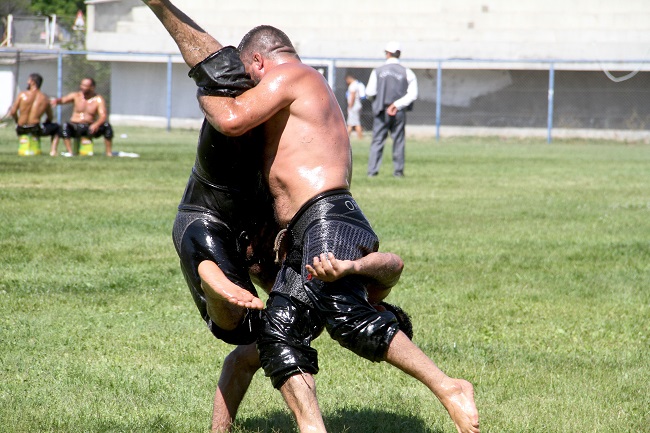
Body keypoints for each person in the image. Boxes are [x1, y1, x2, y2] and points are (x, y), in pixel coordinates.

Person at [144, 3, 479, 433]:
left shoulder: (293, 75)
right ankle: (312, 428)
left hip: (327, 216)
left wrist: (207, 91)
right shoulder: (309, 89)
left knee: (345, 313)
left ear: (260, 61)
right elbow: (391, 266)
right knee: (278, 336)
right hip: (306, 228)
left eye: (249, 78)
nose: (248, 87)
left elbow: (231, 119)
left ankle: (449, 386)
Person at [366, 41, 418, 178]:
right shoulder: (407, 72)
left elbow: (370, 92)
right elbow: (413, 94)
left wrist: (377, 102)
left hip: (381, 111)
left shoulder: (377, 71)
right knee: (399, 141)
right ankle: (398, 172)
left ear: (387, 53)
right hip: (399, 112)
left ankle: (372, 172)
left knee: (377, 141)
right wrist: (397, 105)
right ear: (399, 54)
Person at [3, 73, 66, 156]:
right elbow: (50, 116)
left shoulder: (22, 95)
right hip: (35, 129)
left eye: (28, 80)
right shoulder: (44, 98)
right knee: (57, 127)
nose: (27, 82)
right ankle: (53, 151)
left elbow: (13, 112)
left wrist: (17, 121)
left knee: (24, 127)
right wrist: (47, 122)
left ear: (33, 82)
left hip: (21, 129)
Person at [52, 77, 114, 156]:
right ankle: (70, 152)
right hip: (75, 127)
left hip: (90, 127)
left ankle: (109, 153)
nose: (82, 87)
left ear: (92, 87)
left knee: (107, 126)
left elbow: (103, 116)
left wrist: (96, 124)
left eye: (85, 85)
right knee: (65, 126)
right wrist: (56, 101)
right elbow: (64, 100)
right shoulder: (76, 96)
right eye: (81, 85)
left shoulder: (98, 99)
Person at [344, 72, 365, 139]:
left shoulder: (353, 85)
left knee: (356, 123)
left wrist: (350, 106)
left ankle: (360, 138)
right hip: (357, 105)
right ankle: (346, 138)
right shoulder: (357, 84)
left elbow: (352, 96)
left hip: (354, 106)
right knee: (350, 123)